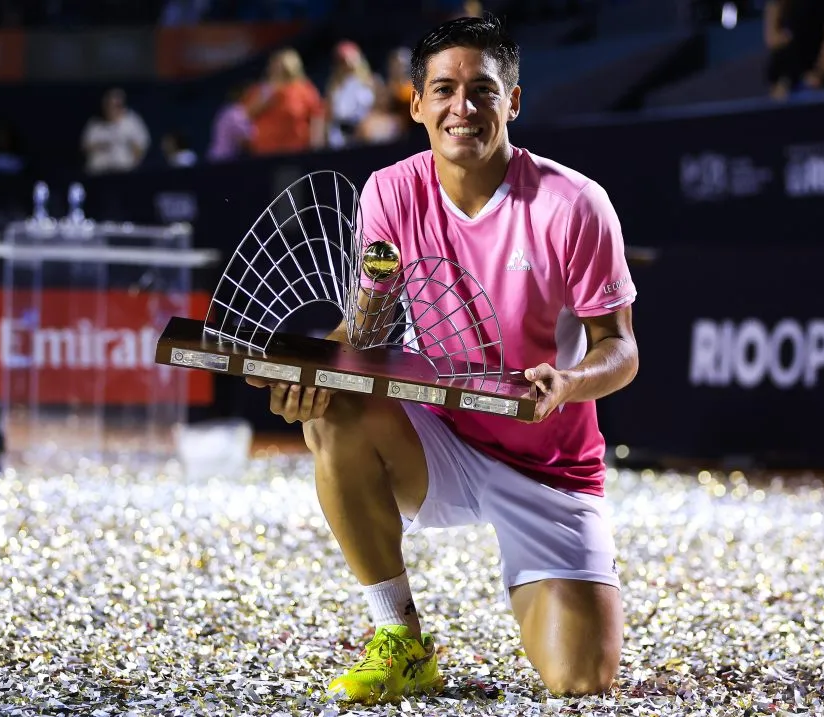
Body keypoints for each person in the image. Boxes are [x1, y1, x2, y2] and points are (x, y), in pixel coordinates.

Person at [246, 14, 638, 705]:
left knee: (582, 681)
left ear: (512, 101)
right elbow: (365, 335)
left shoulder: (574, 204)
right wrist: (307, 373)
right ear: (416, 102)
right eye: (445, 89)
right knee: (334, 407)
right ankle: (400, 638)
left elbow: (621, 349)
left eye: (483, 91)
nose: (464, 107)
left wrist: (569, 381)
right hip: (442, 439)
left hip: (551, 468)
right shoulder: (390, 193)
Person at [764, 0, 824, 100]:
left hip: (814, 85)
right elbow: (772, 39)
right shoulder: (780, 5)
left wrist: (818, 75)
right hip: (782, 84)